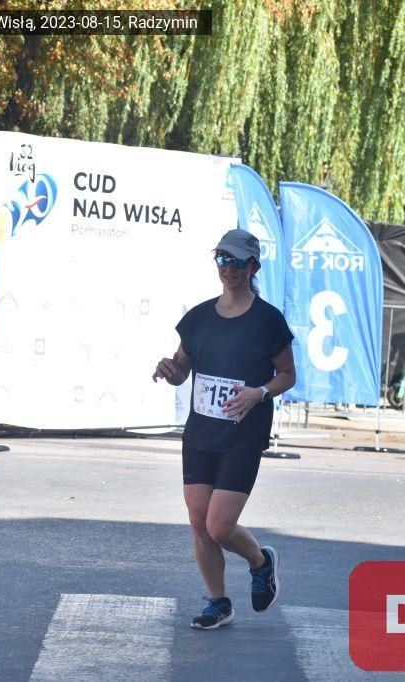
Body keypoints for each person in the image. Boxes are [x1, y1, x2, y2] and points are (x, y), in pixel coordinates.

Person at [152, 228, 295, 630]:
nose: (228, 268)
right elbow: (182, 371)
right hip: (201, 434)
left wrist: (259, 392)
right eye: (222, 260)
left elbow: (287, 375)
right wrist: (169, 369)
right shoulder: (198, 318)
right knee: (199, 523)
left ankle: (260, 561)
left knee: (219, 526)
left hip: (242, 435)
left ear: (253, 267)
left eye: (236, 261)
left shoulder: (268, 320)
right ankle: (218, 602)